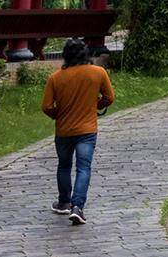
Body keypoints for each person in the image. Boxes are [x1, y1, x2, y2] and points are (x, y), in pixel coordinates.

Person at [39, 38, 113, 225]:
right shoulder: (98, 73)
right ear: (86, 54)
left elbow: (46, 106)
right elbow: (109, 97)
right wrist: (94, 105)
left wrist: (59, 114)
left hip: (63, 131)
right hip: (87, 130)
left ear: (65, 55)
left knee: (64, 166)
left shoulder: (56, 78)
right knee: (83, 167)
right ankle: (77, 206)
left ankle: (64, 202)